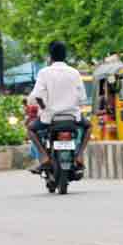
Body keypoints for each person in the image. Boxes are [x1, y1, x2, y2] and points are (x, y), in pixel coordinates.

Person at [26, 41, 91, 172]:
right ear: (65, 56)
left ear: (50, 57)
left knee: (30, 130)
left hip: (50, 118)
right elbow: (82, 97)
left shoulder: (44, 72)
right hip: (72, 117)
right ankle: (79, 156)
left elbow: (37, 96)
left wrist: (44, 107)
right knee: (89, 127)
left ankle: (44, 157)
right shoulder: (74, 72)